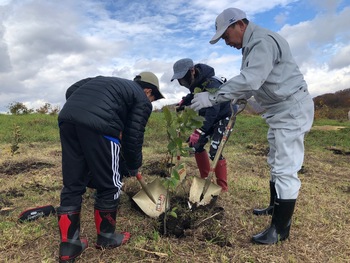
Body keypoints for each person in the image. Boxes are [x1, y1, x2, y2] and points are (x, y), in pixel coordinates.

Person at [190, 8, 314, 245]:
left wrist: (215, 97)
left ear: (239, 25)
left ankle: (280, 230)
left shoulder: (261, 42)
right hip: (279, 109)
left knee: (285, 167)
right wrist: (241, 98)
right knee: (276, 160)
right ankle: (273, 207)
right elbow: (254, 81)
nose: (226, 42)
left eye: (226, 36)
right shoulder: (251, 46)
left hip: (291, 108)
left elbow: (251, 78)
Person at [57, 72, 164, 262]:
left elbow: (71, 90)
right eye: (153, 99)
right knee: (110, 183)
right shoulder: (141, 99)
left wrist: (86, 110)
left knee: (73, 182)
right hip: (101, 126)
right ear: (148, 91)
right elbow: (134, 137)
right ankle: (107, 238)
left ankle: (69, 246)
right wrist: (133, 165)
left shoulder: (106, 82)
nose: (150, 103)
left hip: (68, 118)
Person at [171, 58, 236, 192]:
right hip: (208, 116)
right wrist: (184, 101)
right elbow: (194, 94)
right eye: (180, 81)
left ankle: (223, 187)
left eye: (183, 79)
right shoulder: (197, 83)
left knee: (215, 150)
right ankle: (206, 180)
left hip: (224, 116)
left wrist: (200, 131)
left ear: (192, 71)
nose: (182, 83)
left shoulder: (212, 83)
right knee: (196, 146)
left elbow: (214, 109)